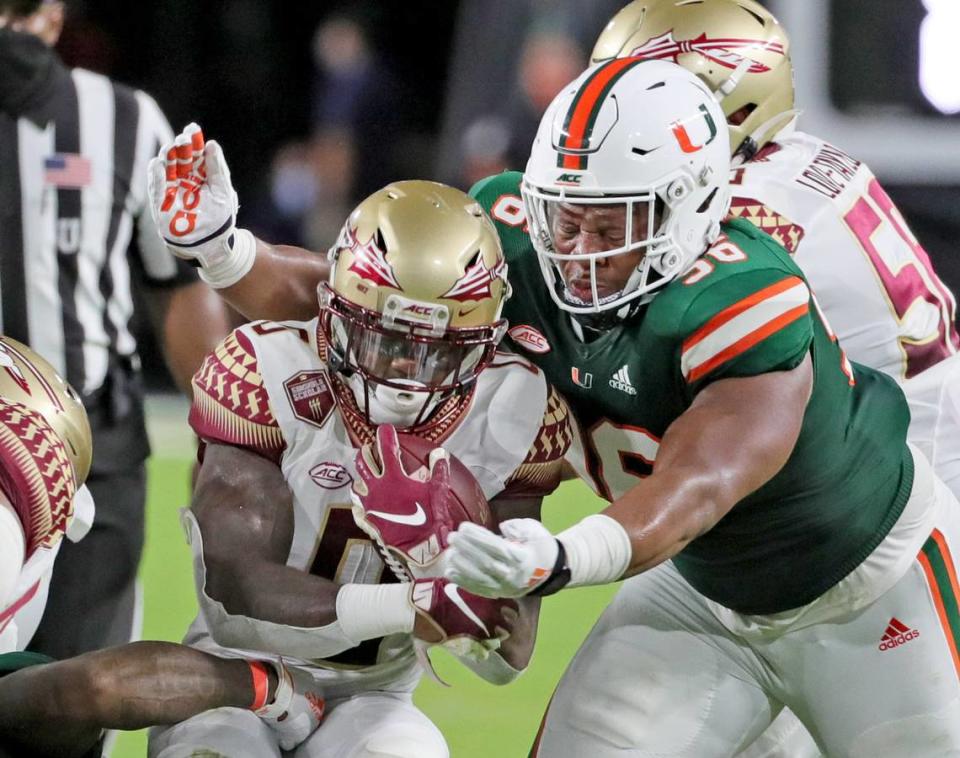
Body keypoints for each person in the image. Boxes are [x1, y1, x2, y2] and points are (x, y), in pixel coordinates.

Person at [396, 59, 960, 756]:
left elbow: (700, 481)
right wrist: (231, 252)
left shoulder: (746, 294)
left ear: (689, 205)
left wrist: (561, 556)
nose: (576, 253)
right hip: (700, 597)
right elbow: (374, 294)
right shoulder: (510, 238)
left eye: (610, 229)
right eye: (564, 218)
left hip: (869, 588)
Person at [148, 161, 571, 756]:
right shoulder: (267, 367)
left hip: (372, 697)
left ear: (483, 344)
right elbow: (231, 598)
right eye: (388, 339)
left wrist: (454, 576)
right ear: (335, 311)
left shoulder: (517, 408)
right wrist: (415, 603)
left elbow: (510, 658)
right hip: (236, 673)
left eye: (436, 352)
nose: (406, 371)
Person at [590, 0, 960, 500]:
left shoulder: (754, 204)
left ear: (737, 106)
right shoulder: (789, 157)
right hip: (889, 413)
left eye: (646, 101)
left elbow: (640, 350)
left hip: (912, 450)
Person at [0, 0, 230, 659]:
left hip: (90, 453)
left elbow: (178, 290)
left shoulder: (125, 120)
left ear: (51, 16)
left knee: (71, 697)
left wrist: (227, 438)